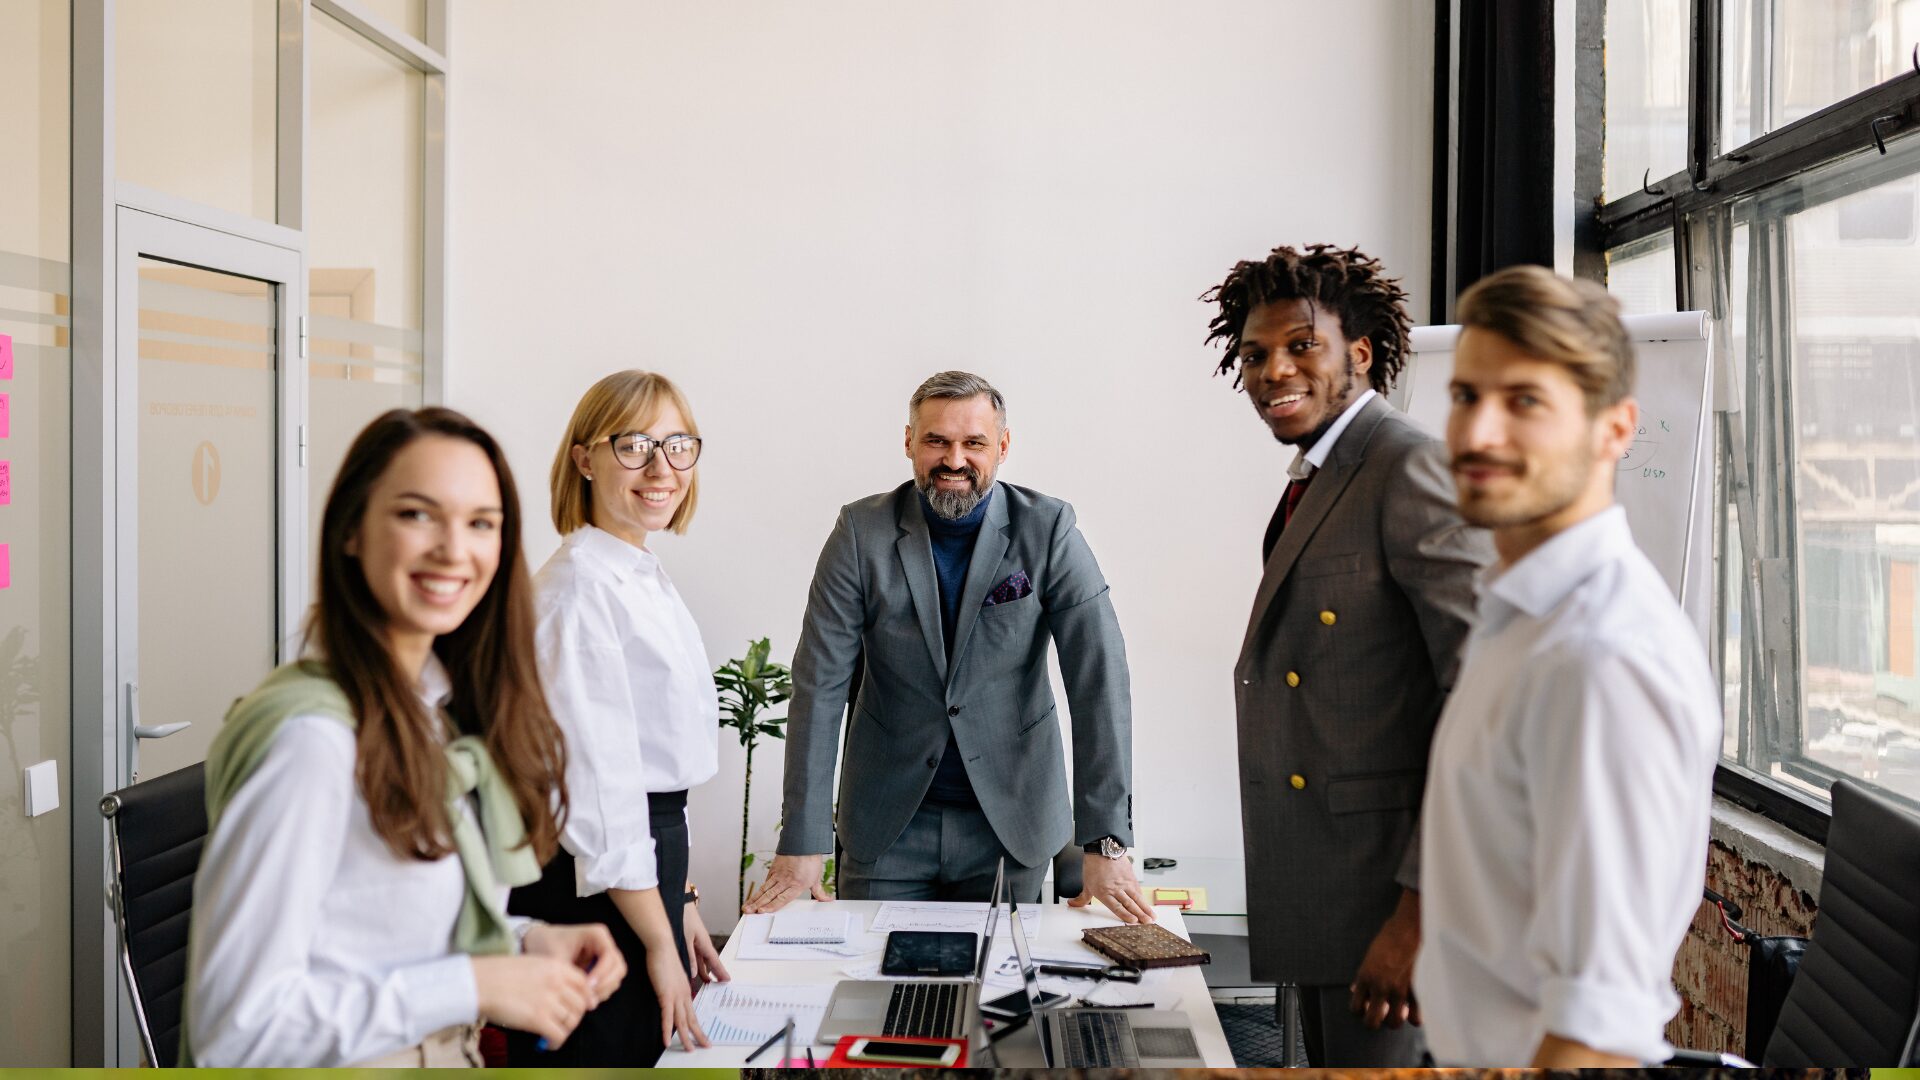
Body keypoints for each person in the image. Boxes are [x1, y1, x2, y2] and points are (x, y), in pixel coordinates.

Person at [184, 407, 625, 1067]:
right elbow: (235, 1031)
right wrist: (475, 983)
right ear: (352, 531)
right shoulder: (315, 744)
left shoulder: (431, 712)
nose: (454, 548)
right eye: (417, 514)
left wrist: (523, 940)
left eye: (481, 523)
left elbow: (371, 932)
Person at [1414, 265, 1720, 1067]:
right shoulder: (1520, 614)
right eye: (1465, 396)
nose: (1478, 434)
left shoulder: (1599, 659)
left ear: (1614, 429)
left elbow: (1598, 1032)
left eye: (1525, 402)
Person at [1202, 244, 1492, 1066]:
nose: (1271, 371)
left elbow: (1483, 705)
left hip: (1389, 905)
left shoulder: (1408, 466)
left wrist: (1419, 913)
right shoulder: (1325, 474)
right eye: (1254, 355)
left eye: (1302, 346)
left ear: (1359, 353)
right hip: (1329, 888)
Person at [743, 371, 1149, 917]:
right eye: (937, 441)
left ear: (1002, 446)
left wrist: (1105, 842)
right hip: (887, 824)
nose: (954, 459)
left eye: (973, 443)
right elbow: (820, 685)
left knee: (1004, 997)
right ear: (909, 441)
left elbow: (1099, 678)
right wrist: (802, 839)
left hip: (1013, 824)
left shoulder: (1048, 529)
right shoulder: (860, 532)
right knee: (875, 993)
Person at [505, 371, 727, 1066]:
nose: (662, 469)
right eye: (634, 445)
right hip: (594, 886)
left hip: (645, 865)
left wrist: (681, 900)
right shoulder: (576, 593)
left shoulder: (637, 570)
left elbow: (656, 763)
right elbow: (601, 794)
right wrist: (657, 940)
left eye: (678, 445)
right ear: (584, 458)